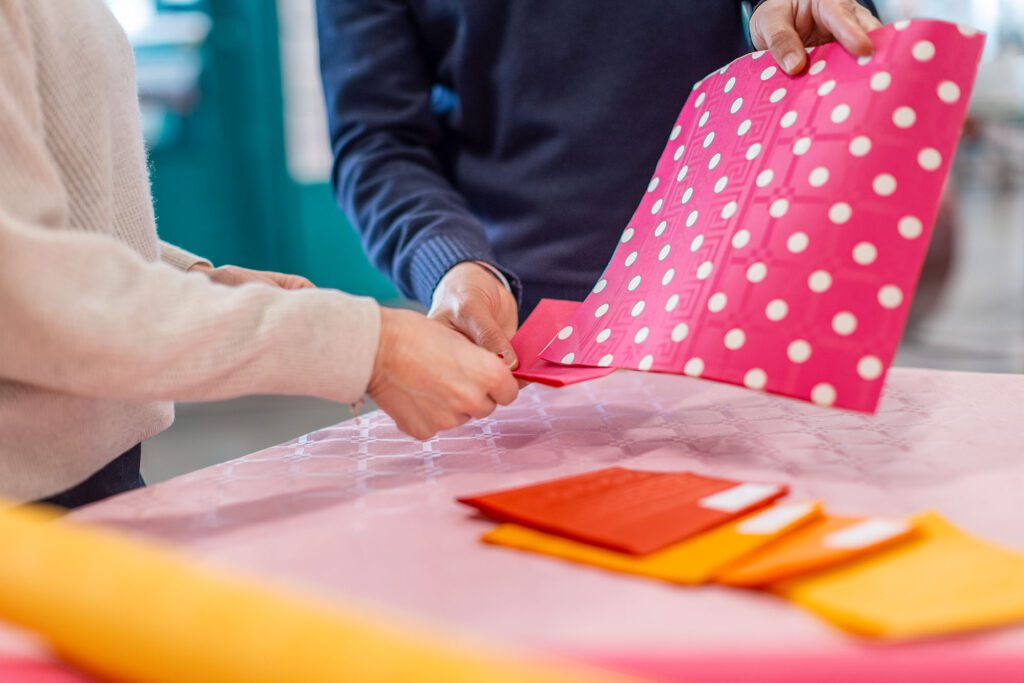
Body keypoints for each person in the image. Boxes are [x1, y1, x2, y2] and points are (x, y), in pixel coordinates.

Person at [0, 0, 518, 508]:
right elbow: (24, 296)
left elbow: (45, 233)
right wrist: (370, 347)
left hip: (96, 466)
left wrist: (187, 281)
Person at [317, 0, 880, 369]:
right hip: (528, 332)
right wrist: (451, 264)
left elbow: (825, 18)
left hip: (754, 289)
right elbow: (378, 142)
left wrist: (814, 15)